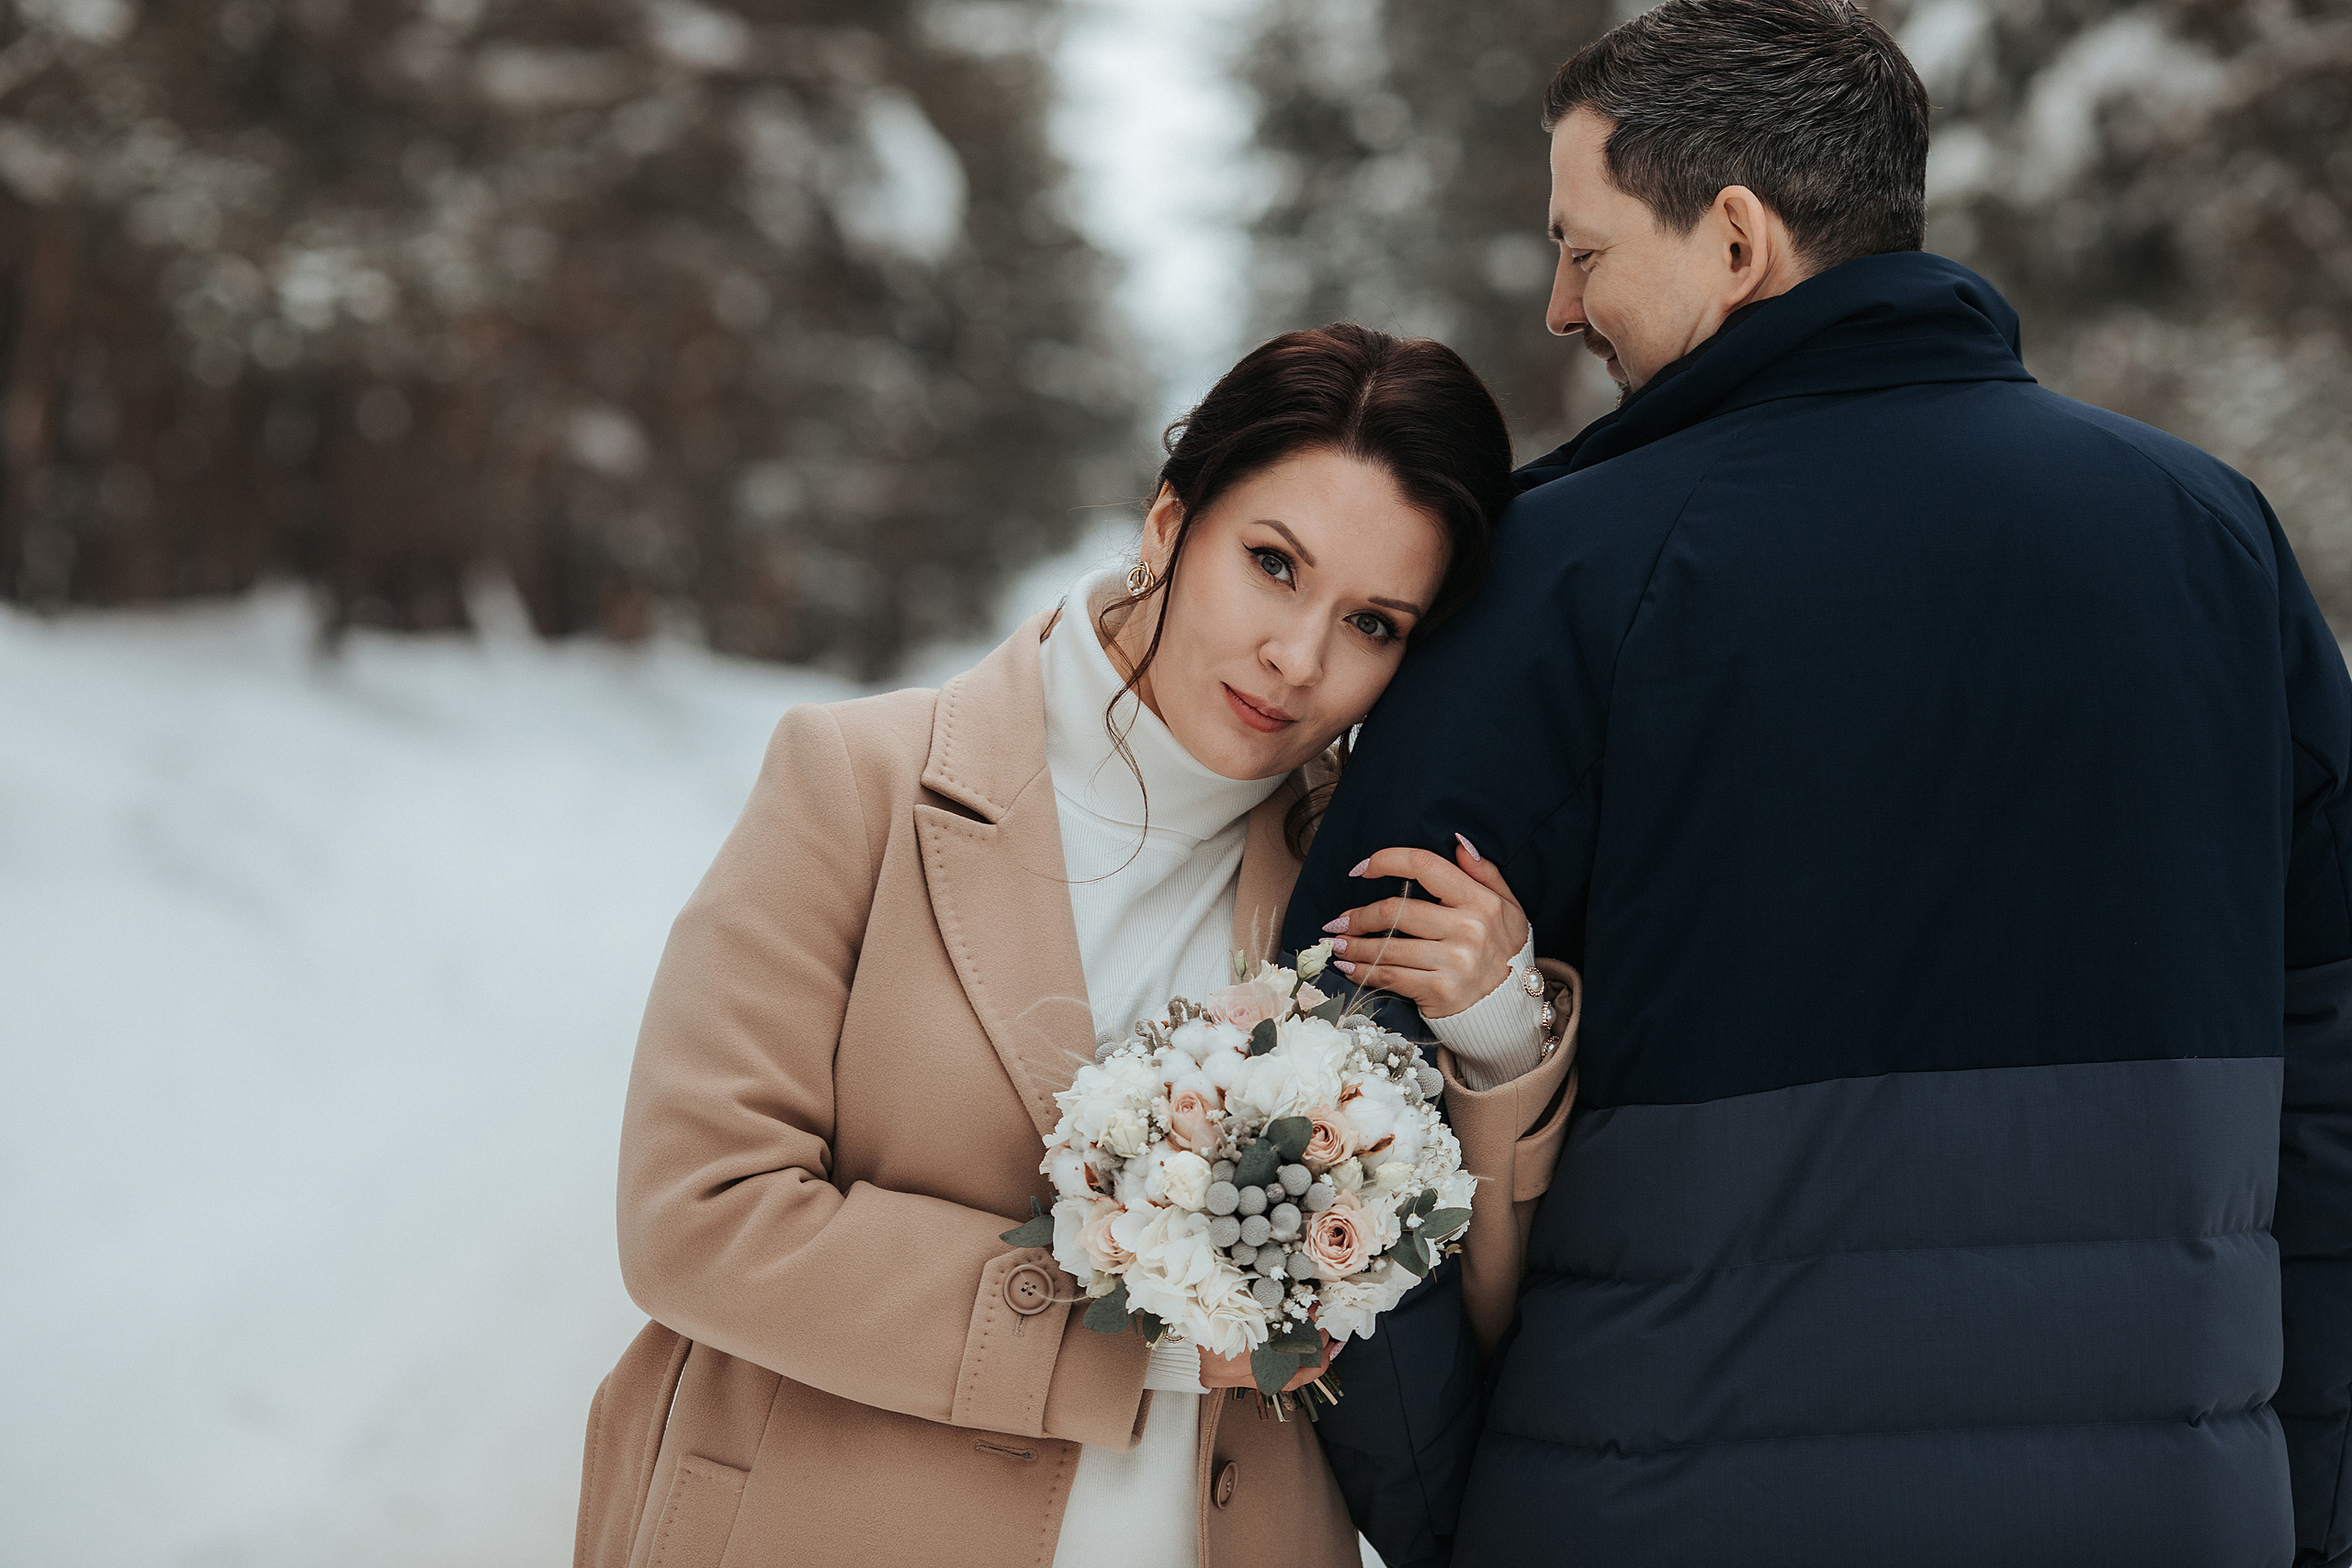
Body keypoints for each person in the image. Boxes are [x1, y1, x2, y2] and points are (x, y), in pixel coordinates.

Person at [1283, 3, 2352, 1565]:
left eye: (1585, 247)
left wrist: (1465, 1507)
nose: (1562, 303)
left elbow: (1326, 1089)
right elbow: (2330, 1074)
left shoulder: (1570, 573)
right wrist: (2305, 1510)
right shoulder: (2213, 541)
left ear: (1735, 240)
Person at [571, 323, 1555, 1568]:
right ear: (1166, 525)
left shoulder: (1351, 898)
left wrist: (1497, 1031)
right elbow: (696, 1220)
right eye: (1272, 564)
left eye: (1373, 624)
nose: (1297, 658)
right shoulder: (859, 786)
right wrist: (1130, 1331)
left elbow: (1460, 1343)